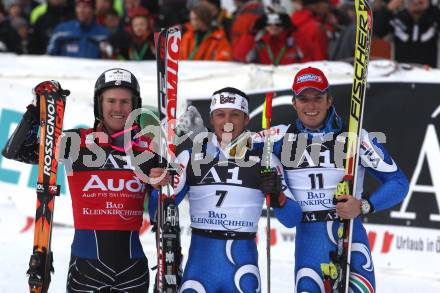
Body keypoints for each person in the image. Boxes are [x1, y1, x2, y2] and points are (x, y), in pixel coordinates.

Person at [2, 68, 167, 292]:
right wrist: (35, 111)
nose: (117, 108)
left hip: (132, 272)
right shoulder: (75, 142)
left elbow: (168, 200)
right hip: (86, 270)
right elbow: (16, 151)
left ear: (134, 106)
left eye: (124, 101)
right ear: (99, 104)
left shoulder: (147, 149)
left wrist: (162, 187)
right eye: (110, 101)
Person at [266, 66, 409, 291]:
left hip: (351, 236)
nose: (311, 106)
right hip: (310, 243)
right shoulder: (278, 138)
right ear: (294, 103)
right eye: (303, 99)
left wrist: (363, 205)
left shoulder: (356, 137)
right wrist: (201, 133)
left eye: (318, 98)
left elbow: (399, 184)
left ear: (329, 100)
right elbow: (233, 146)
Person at [150, 87, 302, 292]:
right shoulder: (191, 156)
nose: (227, 121)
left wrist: (278, 197)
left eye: (235, 114)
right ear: (212, 119)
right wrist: (159, 187)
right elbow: (157, 212)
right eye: (220, 114)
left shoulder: (265, 159)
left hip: (243, 267)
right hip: (200, 267)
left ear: (247, 119)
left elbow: (292, 219)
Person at [373, 0, 440, 67]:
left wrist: (431, 7)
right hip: (402, 71)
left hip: (429, 72)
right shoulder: (398, 18)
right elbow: (376, 31)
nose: (416, 2)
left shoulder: (434, 18)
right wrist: (388, 9)